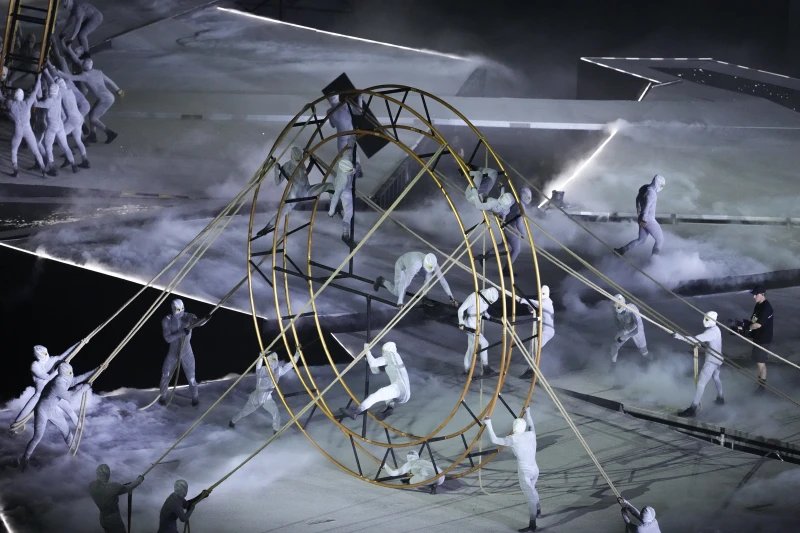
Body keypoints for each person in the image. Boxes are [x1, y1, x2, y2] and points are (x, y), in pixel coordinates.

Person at [20, 362, 95, 469]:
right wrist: (84, 388)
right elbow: (71, 398)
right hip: (42, 411)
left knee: (67, 431)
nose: (72, 374)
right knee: (37, 437)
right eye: (70, 372)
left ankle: (74, 453)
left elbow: (76, 380)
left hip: (53, 409)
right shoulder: (58, 384)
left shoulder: (64, 379)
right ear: (66, 373)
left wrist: (97, 369)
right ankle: (25, 459)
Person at [484, 407, 540, 532]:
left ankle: (533, 524)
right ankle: (538, 509)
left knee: (530, 496)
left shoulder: (513, 439)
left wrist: (488, 423)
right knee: (532, 488)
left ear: (514, 427)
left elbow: (495, 440)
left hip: (524, 472)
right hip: (535, 469)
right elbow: (531, 424)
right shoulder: (531, 434)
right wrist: (528, 412)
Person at [11, 343, 79, 432]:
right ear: (37, 355)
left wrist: (80, 343)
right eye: (43, 354)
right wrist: (58, 370)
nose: (46, 355)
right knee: (29, 408)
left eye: (46, 353)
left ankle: (79, 425)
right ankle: (15, 425)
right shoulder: (35, 365)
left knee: (68, 409)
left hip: (50, 391)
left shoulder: (52, 360)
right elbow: (47, 377)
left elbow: (65, 354)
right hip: (40, 393)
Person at [56, 57, 123, 144]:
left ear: (83, 66)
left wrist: (57, 71)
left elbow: (70, 77)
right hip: (108, 97)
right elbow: (109, 81)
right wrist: (118, 90)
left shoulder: (85, 76)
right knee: (91, 114)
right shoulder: (98, 72)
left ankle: (110, 133)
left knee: (93, 118)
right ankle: (92, 135)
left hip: (105, 100)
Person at [229, 350, 299, 432]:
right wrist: (261, 357)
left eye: (275, 360)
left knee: (275, 413)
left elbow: (291, 364)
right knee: (245, 411)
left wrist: (297, 354)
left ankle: (276, 430)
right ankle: (232, 421)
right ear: (268, 361)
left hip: (267, 398)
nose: (274, 362)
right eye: (271, 360)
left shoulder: (278, 370)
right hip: (256, 397)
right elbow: (258, 365)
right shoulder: (262, 370)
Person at [339, 342, 410, 420]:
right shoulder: (395, 359)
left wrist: (367, 349)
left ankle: (356, 412)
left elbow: (373, 363)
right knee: (386, 393)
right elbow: (376, 371)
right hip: (403, 393)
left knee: (376, 395)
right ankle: (389, 408)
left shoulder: (390, 355)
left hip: (400, 388)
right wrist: (367, 358)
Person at [158, 299, 209, 406]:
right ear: (173, 309)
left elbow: (197, 323)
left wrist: (205, 319)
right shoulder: (167, 320)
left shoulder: (188, 316)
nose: (180, 312)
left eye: (182, 309)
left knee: (191, 377)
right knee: (165, 374)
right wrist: (181, 333)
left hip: (186, 352)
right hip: (173, 353)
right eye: (178, 310)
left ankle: (195, 399)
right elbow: (168, 338)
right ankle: (162, 397)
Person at [673, 311, 724, 417]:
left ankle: (693, 408)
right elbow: (708, 342)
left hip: (712, 361)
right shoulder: (716, 329)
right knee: (716, 377)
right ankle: (720, 398)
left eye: (707, 319)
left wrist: (678, 336)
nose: (704, 321)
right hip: (718, 359)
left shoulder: (711, 332)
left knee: (701, 383)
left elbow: (695, 339)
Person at [373, 251, 458, 308]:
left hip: (417, 267)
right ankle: (382, 281)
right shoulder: (415, 265)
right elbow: (405, 282)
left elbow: (442, 280)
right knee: (397, 293)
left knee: (429, 275)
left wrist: (451, 297)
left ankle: (424, 297)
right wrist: (400, 302)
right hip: (402, 266)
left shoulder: (433, 263)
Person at [0, 76, 46, 177]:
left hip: (18, 129)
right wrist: (39, 78)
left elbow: (1, 98)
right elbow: (35, 91)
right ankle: (43, 170)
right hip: (27, 129)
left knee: (14, 150)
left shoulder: (11, 104)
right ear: (22, 96)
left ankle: (15, 170)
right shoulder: (27, 103)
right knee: (35, 150)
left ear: (15, 96)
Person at [615, 174, 666, 256]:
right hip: (648, 219)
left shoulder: (644, 187)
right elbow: (647, 206)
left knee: (641, 240)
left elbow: (637, 199)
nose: (661, 187)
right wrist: (644, 219)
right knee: (660, 240)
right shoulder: (652, 193)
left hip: (642, 217)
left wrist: (638, 210)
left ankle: (622, 250)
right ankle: (653, 260)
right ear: (658, 183)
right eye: (661, 185)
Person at [34, 82, 78, 176]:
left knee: (48, 147)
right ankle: (73, 165)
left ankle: (52, 167)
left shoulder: (48, 101)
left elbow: (36, 104)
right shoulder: (59, 97)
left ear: (49, 91)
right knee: (65, 146)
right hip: (60, 126)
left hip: (52, 127)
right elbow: (58, 89)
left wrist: (33, 96)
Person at [458, 287, 500, 378]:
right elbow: (460, 309)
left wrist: (487, 315)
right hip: (470, 325)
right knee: (484, 343)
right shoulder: (474, 297)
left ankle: (466, 369)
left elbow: (483, 308)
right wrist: (461, 323)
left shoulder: (487, 298)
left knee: (471, 347)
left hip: (477, 324)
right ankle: (485, 367)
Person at [88, 464, 144, 533]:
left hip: (103, 518)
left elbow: (110, 490)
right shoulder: (113, 487)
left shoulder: (92, 486)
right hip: (113, 519)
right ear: (108, 475)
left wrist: (120, 487)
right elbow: (129, 487)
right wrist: (140, 479)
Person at [520, 285, 554, 379]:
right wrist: (530, 307)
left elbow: (539, 304)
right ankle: (530, 368)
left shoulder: (547, 303)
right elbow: (535, 309)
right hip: (543, 330)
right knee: (533, 347)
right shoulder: (543, 302)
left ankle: (532, 370)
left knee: (535, 347)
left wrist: (526, 301)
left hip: (547, 331)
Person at [610, 294, 649, 370]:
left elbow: (637, 330)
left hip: (637, 327)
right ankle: (613, 366)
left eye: (616, 303)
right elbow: (617, 323)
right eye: (614, 303)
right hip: (626, 328)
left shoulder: (632, 309)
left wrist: (625, 336)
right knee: (615, 345)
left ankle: (647, 363)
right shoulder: (615, 310)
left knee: (643, 349)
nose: (615, 306)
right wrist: (620, 333)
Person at [747, 286, 773, 393]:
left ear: (762, 294)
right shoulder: (758, 305)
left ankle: (762, 387)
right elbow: (753, 320)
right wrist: (746, 325)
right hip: (757, 337)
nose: (754, 297)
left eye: (755, 294)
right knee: (758, 361)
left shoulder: (766, 307)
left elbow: (758, 324)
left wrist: (748, 328)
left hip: (763, 339)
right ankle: (759, 382)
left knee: (761, 363)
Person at [327, 158, 356, 246]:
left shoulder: (343, 164)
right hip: (344, 191)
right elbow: (336, 196)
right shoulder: (343, 181)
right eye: (350, 170)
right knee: (349, 213)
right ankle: (345, 235)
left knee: (347, 211)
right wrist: (331, 212)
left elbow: (351, 170)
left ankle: (336, 208)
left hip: (345, 188)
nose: (351, 171)